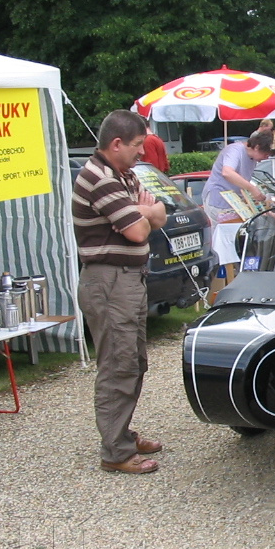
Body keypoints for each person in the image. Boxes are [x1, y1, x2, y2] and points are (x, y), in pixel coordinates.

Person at [72, 110, 168, 475]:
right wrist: (144, 212)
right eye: (137, 145)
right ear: (116, 144)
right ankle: (115, 452)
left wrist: (140, 210)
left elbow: (159, 214)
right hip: (109, 282)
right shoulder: (99, 178)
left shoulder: (123, 175)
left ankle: (122, 434)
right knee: (118, 365)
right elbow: (140, 231)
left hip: (127, 280)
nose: (142, 152)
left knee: (133, 361)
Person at [201, 130, 274, 224]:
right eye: (265, 155)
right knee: (221, 231)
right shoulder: (235, 150)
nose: (266, 158)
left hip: (233, 203)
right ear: (257, 147)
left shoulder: (253, 159)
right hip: (218, 200)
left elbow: (241, 182)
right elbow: (227, 173)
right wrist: (252, 188)